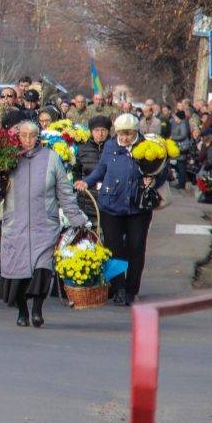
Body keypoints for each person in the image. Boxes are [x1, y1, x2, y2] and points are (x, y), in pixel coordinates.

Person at [0, 121, 88, 327]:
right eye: (23, 135)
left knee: (42, 269)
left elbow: (65, 193)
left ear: (38, 137)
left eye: (32, 136)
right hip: (16, 225)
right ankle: (22, 310)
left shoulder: (52, 158)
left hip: (44, 226)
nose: (27, 140)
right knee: (18, 273)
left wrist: (78, 220)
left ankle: (37, 310)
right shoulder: (8, 159)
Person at [75, 114, 157, 306]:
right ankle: (118, 288)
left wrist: (152, 180)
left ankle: (131, 289)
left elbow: (160, 170)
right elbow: (101, 169)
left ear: (136, 132)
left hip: (138, 206)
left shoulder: (148, 146)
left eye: (128, 134)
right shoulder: (111, 146)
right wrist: (86, 182)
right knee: (113, 248)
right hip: (111, 204)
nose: (124, 138)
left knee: (136, 247)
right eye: (121, 134)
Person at [74, 115, 111, 219]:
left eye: (103, 130)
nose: (100, 133)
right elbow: (76, 170)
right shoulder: (83, 148)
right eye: (97, 130)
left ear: (108, 131)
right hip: (87, 199)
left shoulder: (114, 147)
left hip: (110, 199)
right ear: (91, 131)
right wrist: (78, 183)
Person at [169, 110, 192, 189]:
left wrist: (173, 138)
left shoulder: (183, 124)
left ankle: (182, 183)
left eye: (176, 117)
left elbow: (183, 135)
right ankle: (180, 182)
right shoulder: (179, 123)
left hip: (182, 146)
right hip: (179, 146)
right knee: (179, 165)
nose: (175, 118)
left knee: (181, 166)